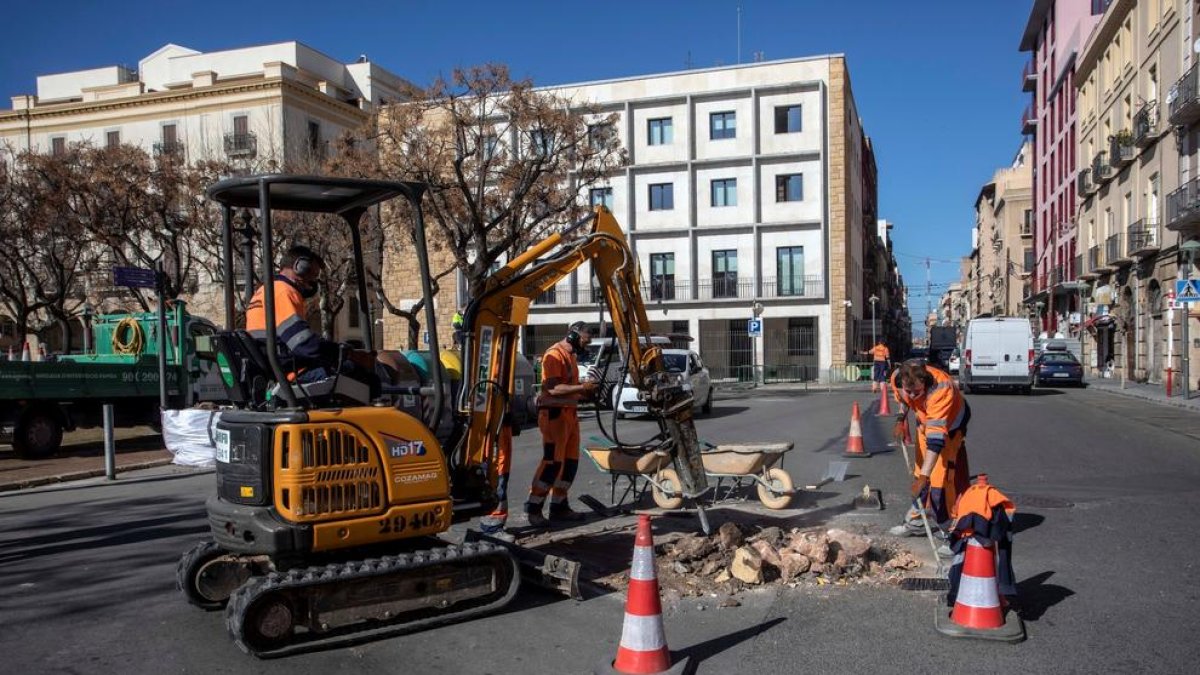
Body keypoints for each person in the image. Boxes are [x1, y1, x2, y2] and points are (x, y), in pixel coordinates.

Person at [244, 245, 391, 392]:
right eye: (312, 275)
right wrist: (349, 354)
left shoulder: (263, 290)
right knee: (368, 380)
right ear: (300, 267)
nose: (312, 283)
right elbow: (305, 345)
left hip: (277, 367)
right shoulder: (285, 291)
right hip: (292, 373)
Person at [524, 320, 599, 527]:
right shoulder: (553, 355)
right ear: (574, 336)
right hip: (554, 416)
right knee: (552, 463)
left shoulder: (570, 356)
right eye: (585, 341)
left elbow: (570, 387)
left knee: (569, 463)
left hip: (569, 415)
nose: (586, 345)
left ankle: (559, 506)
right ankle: (534, 508)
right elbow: (553, 389)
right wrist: (582, 387)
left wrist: (585, 392)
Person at [888, 360, 971, 539]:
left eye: (917, 392)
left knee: (940, 482)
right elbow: (904, 399)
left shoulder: (941, 390)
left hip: (949, 428)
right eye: (908, 390)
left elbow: (935, 441)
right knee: (919, 473)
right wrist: (900, 419)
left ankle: (954, 533)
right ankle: (916, 521)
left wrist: (926, 477)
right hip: (925, 423)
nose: (912, 395)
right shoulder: (897, 377)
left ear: (924, 382)